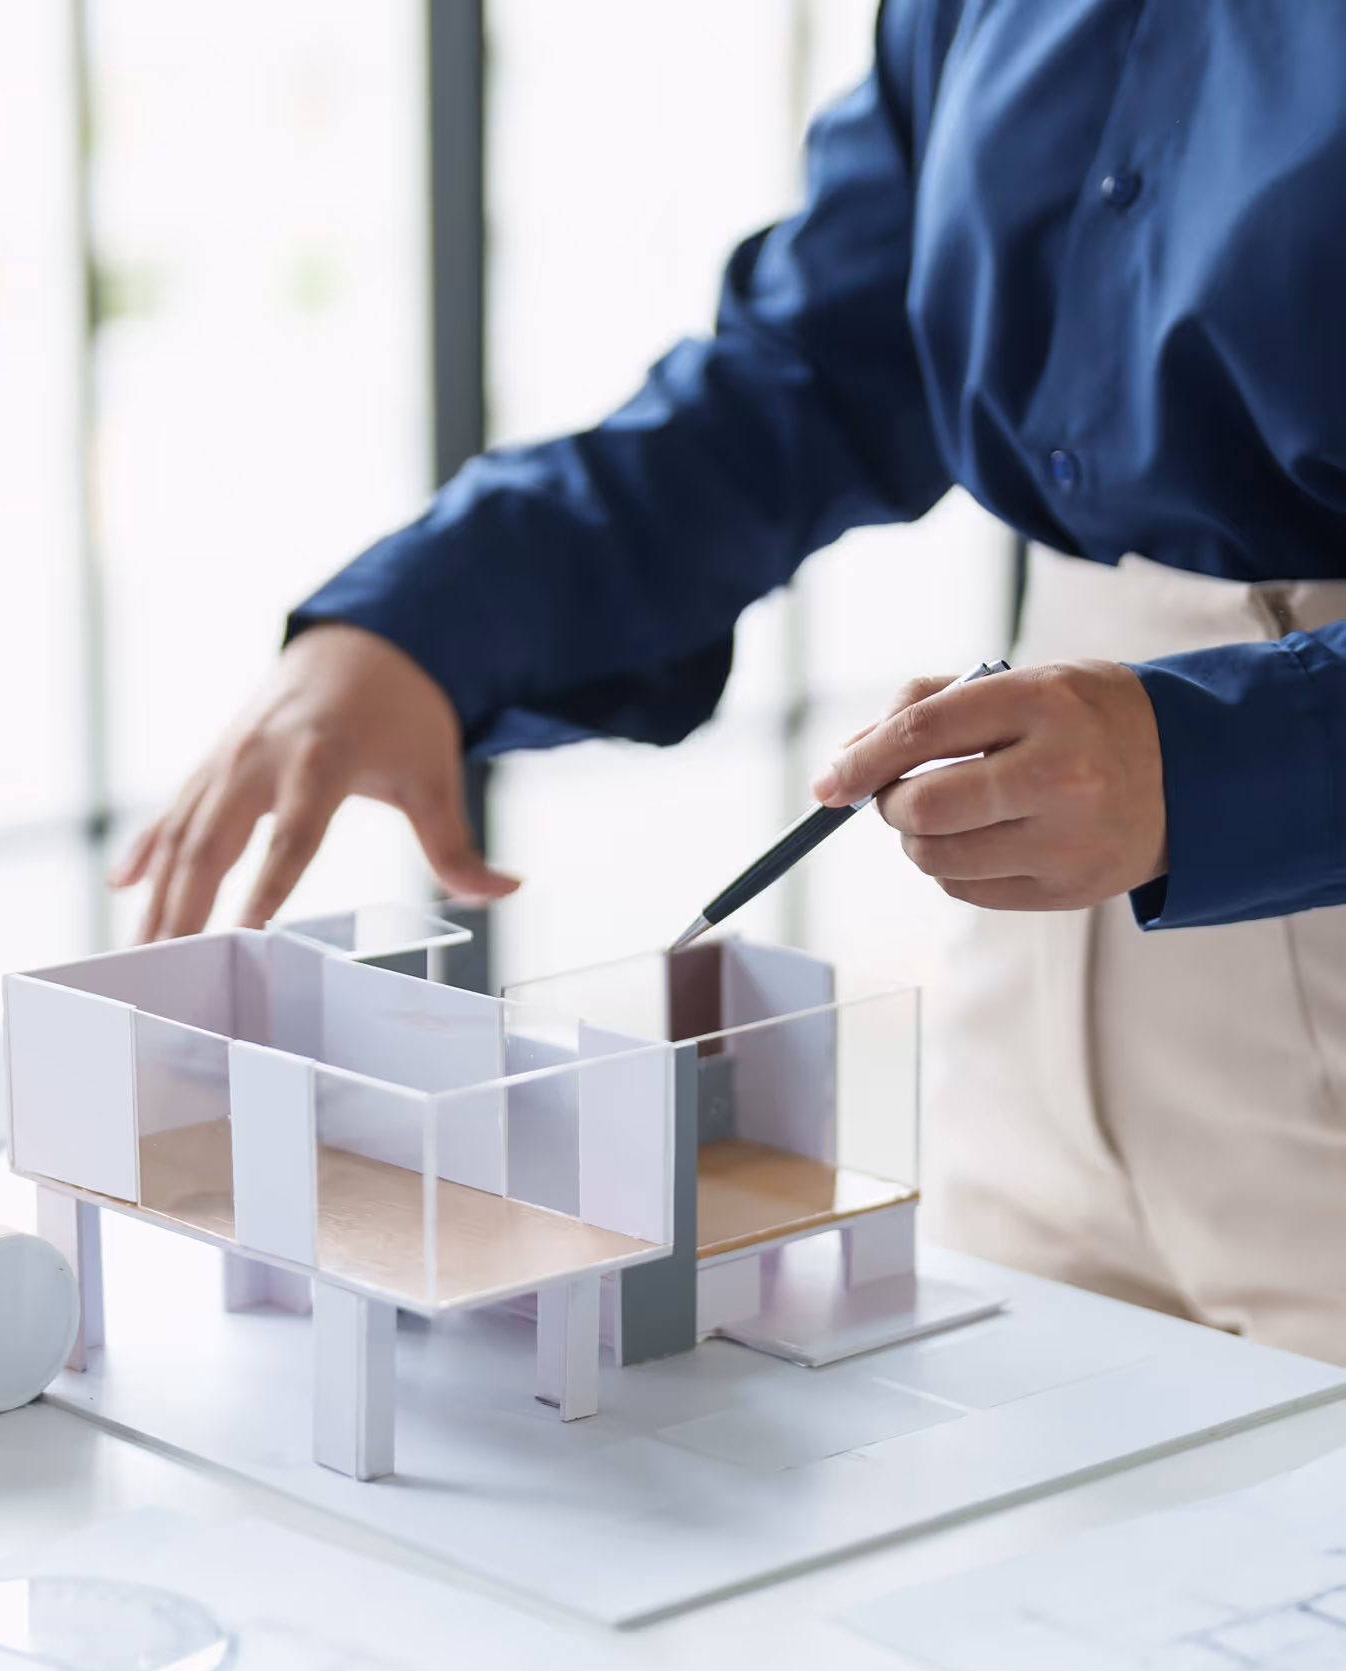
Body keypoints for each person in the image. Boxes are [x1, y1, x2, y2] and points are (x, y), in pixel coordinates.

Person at [115, 0, 1346, 1363]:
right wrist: (421, 620)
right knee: (1025, 1458)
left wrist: (1223, 761)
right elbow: (805, 376)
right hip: (1038, 974)